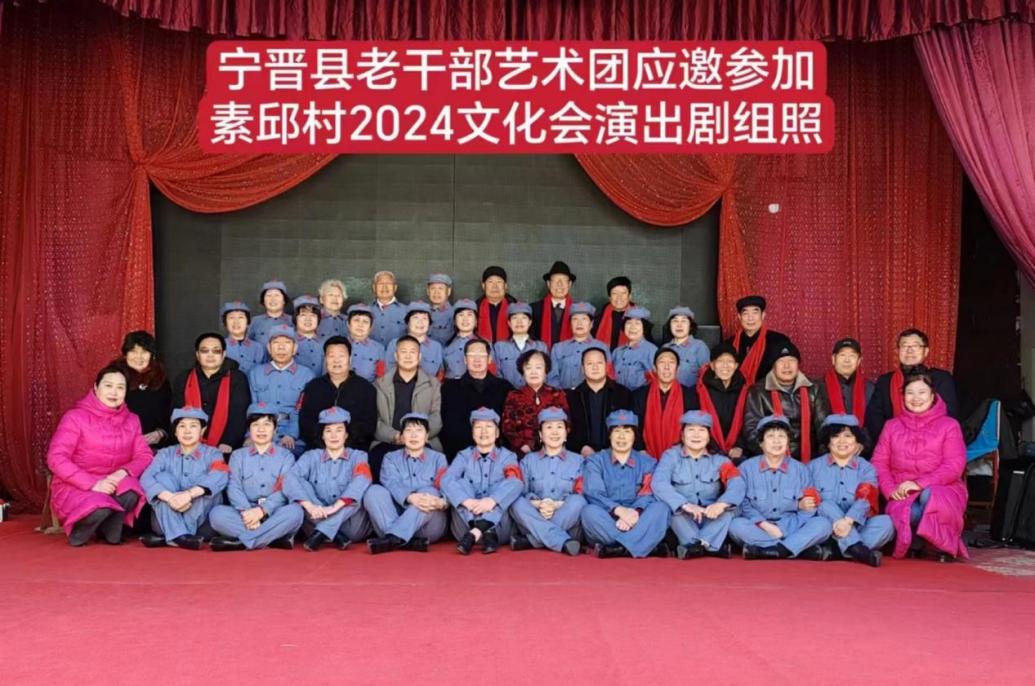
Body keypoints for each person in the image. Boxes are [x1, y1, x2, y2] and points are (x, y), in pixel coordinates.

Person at [46, 365, 153, 546]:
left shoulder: (132, 420)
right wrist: (93, 484)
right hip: (78, 484)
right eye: (108, 385)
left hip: (113, 481)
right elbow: (56, 458)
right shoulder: (75, 417)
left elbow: (144, 455)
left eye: (120, 387)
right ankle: (80, 531)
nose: (114, 392)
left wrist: (123, 472)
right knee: (99, 506)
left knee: (131, 492)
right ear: (96, 387)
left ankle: (108, 529)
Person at [871, 372, 969, 561]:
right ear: (903, 397)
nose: (916, 398)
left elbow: (954, 465)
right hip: (903, 492)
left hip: (943, 488)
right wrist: (890, 490)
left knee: (930, 495)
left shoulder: (949, 425)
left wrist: (919, 484)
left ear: (932, 396)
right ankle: (918, 542)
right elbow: (879, 463)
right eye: (910, 393)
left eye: (922, 392)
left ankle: (938, 546)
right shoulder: (892, 426)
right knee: (911, 513)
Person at [729, 415, 832, 560]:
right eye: (770, 436)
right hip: (759, 527)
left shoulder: (801, 470)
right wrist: (764, 525)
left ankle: (771, 551)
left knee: (823, 524)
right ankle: (795, 549)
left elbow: (810, 508)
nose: (776, 441)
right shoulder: (745, 469)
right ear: (761, 443)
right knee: (736, 525)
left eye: (782, 436)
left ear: (788, 442)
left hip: (792, 527)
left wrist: (783, 529)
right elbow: (742, 504)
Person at [207, 403, 304, 551]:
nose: (261, 429)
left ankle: (243, 542)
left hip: (274, 512)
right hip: (245, 513)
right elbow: (233, 487)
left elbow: (285, 490)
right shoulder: (238, 456)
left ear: (275, 429)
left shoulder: (286, 456)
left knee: (295, 512)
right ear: (249, 429)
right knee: (217, 514)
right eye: (256, 425)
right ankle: (273, 538)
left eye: (267, 424)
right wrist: (248, 512)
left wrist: (262, 510)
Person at [653, 410, 745, 559]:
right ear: (682, 435)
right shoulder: (670, 456)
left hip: (712, 517)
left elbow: (737, 484)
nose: (696, 435)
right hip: (684, 515)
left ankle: (695, 547)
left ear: (709, 436)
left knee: (732, 509)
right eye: (691, 430)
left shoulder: (721, 460)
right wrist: (684, 505)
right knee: (669, 509)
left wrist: (721, 504)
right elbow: (659, 483)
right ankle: (711, 546)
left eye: (702, 430)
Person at [581, 410, 671, 558]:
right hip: (608, 518)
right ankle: (644, 544)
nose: (621, 437)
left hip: (638, 519)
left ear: (634, 436)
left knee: (661, 508)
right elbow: (594, 493)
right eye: (617, 431)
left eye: (627, 431)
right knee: (589, 512)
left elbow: (648, 493)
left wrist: (634, 512)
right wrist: (619, 510)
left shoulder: (648, 462)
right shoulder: (595, 461)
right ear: (610, 435)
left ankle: (618, 548)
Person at [284, 407, 374, 552]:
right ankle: (332, 534)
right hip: (315, 517)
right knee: (299, 483)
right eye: (328, 431)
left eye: (339, 430)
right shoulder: (310, 456)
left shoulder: (359, 456)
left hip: (350, 526)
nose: (333, 435)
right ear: (322, 435)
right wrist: (311, 507)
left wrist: (335, 507)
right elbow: (290, 478)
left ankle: (324, 531)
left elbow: (361, 480)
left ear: (346, 434)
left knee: (359, 490)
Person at [139, 407, 229, 549]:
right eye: (182, 426)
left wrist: (188, 495)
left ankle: (171, 536)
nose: (187, 431)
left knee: (206, 485)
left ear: (202, 430)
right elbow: (146, 478)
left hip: (202, 521)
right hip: (166, 516)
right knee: (162, 477)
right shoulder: (164, 454)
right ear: (175, 431)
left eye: (193, 426)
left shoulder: (213, 453)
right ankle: (182, 537)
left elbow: (220, 476)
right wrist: (170, 498)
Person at [809, 414, 893, 567]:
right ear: (828, 441)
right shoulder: (812, 467)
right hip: (826, 529)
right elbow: (811, 501)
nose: (842, 441)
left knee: (886, 523)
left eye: (848, 436)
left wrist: (848, 521)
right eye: (836, 436)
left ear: (857, 441)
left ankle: (835, 552)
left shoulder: (867, 468)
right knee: (824, 504)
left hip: (856, 524)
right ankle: (858, 549)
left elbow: (865, 498)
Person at [363, 413, 450, 553]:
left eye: (419, 430)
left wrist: (440, 502)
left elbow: (447, 488)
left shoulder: (439, 459)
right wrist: (409, 497)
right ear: (402, 436)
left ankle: (392, 537)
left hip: (427, 526)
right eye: (409, 430)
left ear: (427, 436)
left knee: (430, 492)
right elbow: (391, 483)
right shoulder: (390, 458)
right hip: (395, 516)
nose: (413, 435)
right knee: (373, 491)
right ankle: (405, 541)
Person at [441, 408, 524, 554]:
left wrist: (492, 501)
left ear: (497, 433)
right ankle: (481, 528)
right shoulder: (463, 456)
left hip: (498, 531)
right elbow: (446, 481)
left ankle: (476, 532)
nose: (483, 431)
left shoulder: (508, 456)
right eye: (478, 427)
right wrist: (466, 501)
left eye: (489, 427)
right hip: (465, 526)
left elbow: (515, 484)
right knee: (459, 483)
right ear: (472, 433)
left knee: (512, 483)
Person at [508, 407, 585, 556]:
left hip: (567, 520)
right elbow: (521, 492)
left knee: (579, 501)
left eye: (559, 427)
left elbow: (580, 494)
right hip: (536, 515)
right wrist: (540, 504)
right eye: (549, 427)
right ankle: (558, 539)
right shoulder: (528, 461)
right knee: (515, 502)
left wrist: (555, 505)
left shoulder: (579, 461)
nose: (554, 432)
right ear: (540, 435)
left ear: (566, 433)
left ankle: (532, 540)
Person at [865, 329, 960, 440]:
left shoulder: (941, 378)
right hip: (892, 441)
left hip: (933, 442)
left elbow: (948, 414)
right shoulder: (885, 381)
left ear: (926, 351)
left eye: (915, 346)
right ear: (898, 351)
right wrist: (890, 440)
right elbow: (874, 417)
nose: (909, 350)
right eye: (904, 346)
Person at [743, 342, 828, 463]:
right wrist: (773, 455)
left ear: (798, 364)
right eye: (781, 361)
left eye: (792, 361)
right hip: (771, 456)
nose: (787, 366)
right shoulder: (758, 391)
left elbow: (823, 427)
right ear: (773, 366)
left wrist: (822, 461)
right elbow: (752, 432)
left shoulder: (815, 388)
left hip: (810, 456)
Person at [371, 335, 443, 477]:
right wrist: (396, 436)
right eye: (403, 352)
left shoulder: (433, 384)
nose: (408, 356)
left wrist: (417, 437)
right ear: (396, 356)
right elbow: (375, 419)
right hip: (388, 442)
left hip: (424, 442)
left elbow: (437, 416)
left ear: (419, 356)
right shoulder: (380, 384)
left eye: (412, 352)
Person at [171, 333, 251, 454]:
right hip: (189, 445)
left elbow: (239, 414)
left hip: (226, 447)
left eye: (216, 351)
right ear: (197, 355)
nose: (210, 355)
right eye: (204, 351)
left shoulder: (237, 378)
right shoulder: (184, 379)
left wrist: (229, 441)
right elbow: (176, 414)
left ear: (223, 354)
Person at [298, 336, 377, 453]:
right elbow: (306, 423)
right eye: (331, 356)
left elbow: (368, 426)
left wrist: (343, 444)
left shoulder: (366, 388)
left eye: (341, 356)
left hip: (354, 451)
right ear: (325, 359)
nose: (336, 360)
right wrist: (325, 444)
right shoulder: (313, 387)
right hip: (319, 451)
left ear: (350, 359)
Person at [247, 324, 315, 456]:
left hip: (293, 436)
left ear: (295, 348)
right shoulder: (255, 373)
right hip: (260, 432)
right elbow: (251, 407)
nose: (281, 347)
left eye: (287, 343)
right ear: (269, 347)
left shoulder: (307, 375)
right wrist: (250, 435)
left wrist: (291, 434)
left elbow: (302, 410)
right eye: (276, 342)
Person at [440, 338, 513, 459]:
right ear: (465, 360)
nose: (477, 359)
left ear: (489, 359)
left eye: (481, 355)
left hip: (496, 456)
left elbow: (509, 426)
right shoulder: (449, 388)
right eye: (472, 355)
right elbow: (446, 426)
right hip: (459, 455)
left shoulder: (504, 388)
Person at [566, 346, 633, 457]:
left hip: (616, 455)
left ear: (606, 366)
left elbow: (630, 428)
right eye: (590, 364)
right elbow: (567, 429)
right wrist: (581, 447)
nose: (595, 367)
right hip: (581, 456)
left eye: (599, 363)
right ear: (582, 368)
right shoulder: (572, 397)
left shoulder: (623, 394)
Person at [501, 349, 570, 455]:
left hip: (553, 451)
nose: (533, 372)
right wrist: (523, 446)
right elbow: (507, 426)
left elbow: (567, 423)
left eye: (538, 367)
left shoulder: (557, 394)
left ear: (546, 371)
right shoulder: (513, 396)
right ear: (522, 372)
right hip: (522, 453)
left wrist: (552, 446)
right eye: (528, 368)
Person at [633, 348, 698, 458]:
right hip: (646, 456)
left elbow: (693, 427)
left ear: (677, 368)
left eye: (671, 362)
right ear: (655, 368)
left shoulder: (689, 395)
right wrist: (641, 450)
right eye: (662, 362)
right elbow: (635, 427)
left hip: (680, 456)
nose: (666, 367)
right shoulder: (640, 394)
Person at [113, 330, 171, 450]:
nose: (138, 357)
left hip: (155, 447)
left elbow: (169, 410)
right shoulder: (113, 376)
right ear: (125, 354)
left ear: (152, 355)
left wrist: (161, 432)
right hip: (119, 445)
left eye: (144, 352)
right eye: (133, 351)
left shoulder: (160, 377)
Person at [695, 342, 749, 462]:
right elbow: (696, 424)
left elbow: (748, 422)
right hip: (707, 449)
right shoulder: (700, 390)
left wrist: (740, 446)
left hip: (738, 450)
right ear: (712, 365)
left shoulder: (745, 389)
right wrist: (712, 447)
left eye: (730, 361)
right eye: (720, 361)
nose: (725, 366)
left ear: (736, 366)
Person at [722, 295, 793, 385]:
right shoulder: (729, 344)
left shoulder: (779, 341)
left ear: (763, 315)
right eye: (745, 313)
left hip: (768, 391)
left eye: (755, 312)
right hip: (736, 391)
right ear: (739, 317)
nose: (750, 318)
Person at [549, 303, 612, 389]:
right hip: (563, 395)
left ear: (591, 324)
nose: (579, 323)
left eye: (584, 319)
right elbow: (552, 377)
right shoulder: (558, 348)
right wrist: (562, 394)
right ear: (570, 324)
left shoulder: (602, 347)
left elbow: (608, 375)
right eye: (575, 319)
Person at [493, 302, 547, 389]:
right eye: (515, 318)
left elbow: (546, 375)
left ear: (530, 322)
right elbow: (497, 374)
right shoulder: (499, 347)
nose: (519, 322)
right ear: (509, 323)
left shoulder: (541, 347)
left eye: (524, 318)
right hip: (506, 394)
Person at [384, 301, 444, 378]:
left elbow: (440, 375)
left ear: (429, 324)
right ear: (407, 322)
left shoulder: (436, 347)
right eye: (416, 318)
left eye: (425, 318)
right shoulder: (394, 344)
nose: (420, 322)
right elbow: (389, 373)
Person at [824, 338, 874, 427]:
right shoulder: (820, 387)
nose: (847, 360)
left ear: (859, 361)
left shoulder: (870, 388)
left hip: (861, 435)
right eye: (842, 355)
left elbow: (873, 424)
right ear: (833, 359)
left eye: (852, 356)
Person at [593, 276, 654, 350]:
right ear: (609, 297)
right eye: (614, 293)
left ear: (630, 296)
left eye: (623, 293)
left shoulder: (641, 318)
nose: (619, 297)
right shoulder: (599, 319)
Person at [530, 261, 576, 349]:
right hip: (541, 355)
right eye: (555, 280)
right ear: (548, 284)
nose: (559, 284)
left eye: (563, 280)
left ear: (569, 284)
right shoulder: (534, 309)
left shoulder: (577, 310)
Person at [663, 306, 710, 387]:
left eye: (683, 321)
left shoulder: (699, 346)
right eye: (675, 321)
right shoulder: (665, 348)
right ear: (669, 326)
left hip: (691, 393)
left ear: (690, 326)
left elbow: (707, 376)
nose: (679, 325)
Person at [612, 307, 657, 391]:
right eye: (629, 323)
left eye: (637, 323)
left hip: (640, 397)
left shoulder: (651, 350)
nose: (632, 327)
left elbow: (656, 380)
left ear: (644, 327)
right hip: (617, 396)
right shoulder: (617, 351)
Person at [476, 265, 516, 344]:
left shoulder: (516, 308)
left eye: (499, 282)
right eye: (490, 282)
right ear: (483, 286)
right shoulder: (475, 308)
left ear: (505, 286)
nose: (495, 286)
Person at [346, 303, 386, 383]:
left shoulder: (379, 349)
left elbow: (381, 378)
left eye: (365, 321)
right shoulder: (337, 344)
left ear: (371, 327)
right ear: (348, 324)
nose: (360, 325)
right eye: (356, 320)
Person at [442, 299, 481, 380]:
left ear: (476, 321)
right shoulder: (446, 345)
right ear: (455, 321)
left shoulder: (484, 345)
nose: (465, 319)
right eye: (461, 315)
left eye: (469, 315)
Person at [222, 301, 265, 373]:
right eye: (231, 317)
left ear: (248, 323)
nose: (236, 322)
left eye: (241, 317)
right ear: (225, 323)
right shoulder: (220, 346)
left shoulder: (258, 348)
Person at [369, 270, 408, 346]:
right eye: (380, 284)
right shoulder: (366, 311)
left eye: (389, 283)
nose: (384, 287)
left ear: (395, 287)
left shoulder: (406, 311)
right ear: (374, 287)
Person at [292, 295, 326, 376]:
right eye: (303, 315)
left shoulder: (326, 343)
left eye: (313, 315)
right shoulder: (288, 342)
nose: (308, 319)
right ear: (295, 318)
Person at [426, 273, 455, 346]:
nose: (436, 292)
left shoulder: (455, 314)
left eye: (440, 288)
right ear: (428, 291)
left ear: (449, 291)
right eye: (433, 288)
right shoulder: (423, 312)